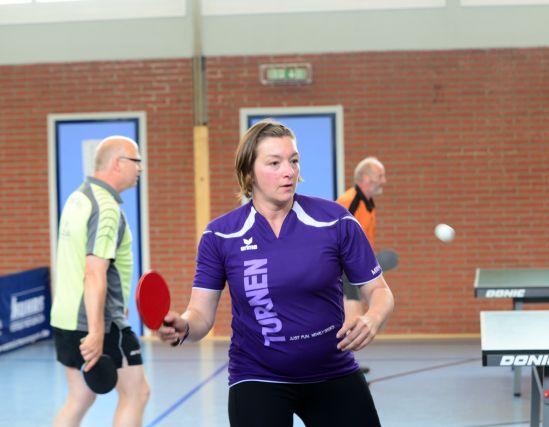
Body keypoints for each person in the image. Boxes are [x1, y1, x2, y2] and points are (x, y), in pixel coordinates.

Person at [158, 119, 394, 427]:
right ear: (248, 173)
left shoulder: (335, 220)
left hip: (332, 370)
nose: (289, 171)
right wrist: (185, 326)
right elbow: (200, 315)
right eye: (274, 163)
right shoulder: (221, 235)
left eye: (293, 161)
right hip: (257, 376)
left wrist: (373, 317)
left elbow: (379, 290)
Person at [50, 136, 150, 427]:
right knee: (137, 393)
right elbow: (94, 272)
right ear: (118, 163)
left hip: (65, 318)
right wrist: (96, 332)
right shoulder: (105, 208)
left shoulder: (78, 198)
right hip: (96, 322)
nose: (140, 168)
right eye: (136, 161)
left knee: (80, 397)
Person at [336, 157, 387, 329]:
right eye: (380, 176)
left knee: (357, 316)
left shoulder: (368, 203)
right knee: (354, 317)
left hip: (355, 266)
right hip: (343, 266)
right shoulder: (350, 201)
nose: (384, 181)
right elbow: (334, 235)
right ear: (365, 178)